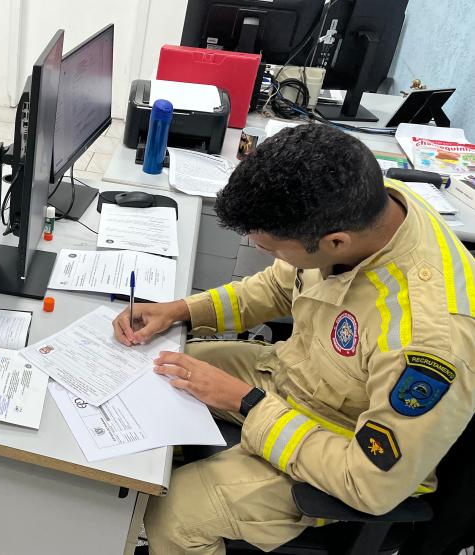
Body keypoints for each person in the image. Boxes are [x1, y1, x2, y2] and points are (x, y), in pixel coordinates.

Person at [113, 124, 475, 554]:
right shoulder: (366, 204)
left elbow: (370, 484)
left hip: (340, 448)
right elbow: (278, 287)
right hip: (297, 375)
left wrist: (245, 402)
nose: (266, 254)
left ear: (335, 242)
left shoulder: (427, 340)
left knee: (174, 515)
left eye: (273, 248)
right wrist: (180, 310)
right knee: (158, 369)